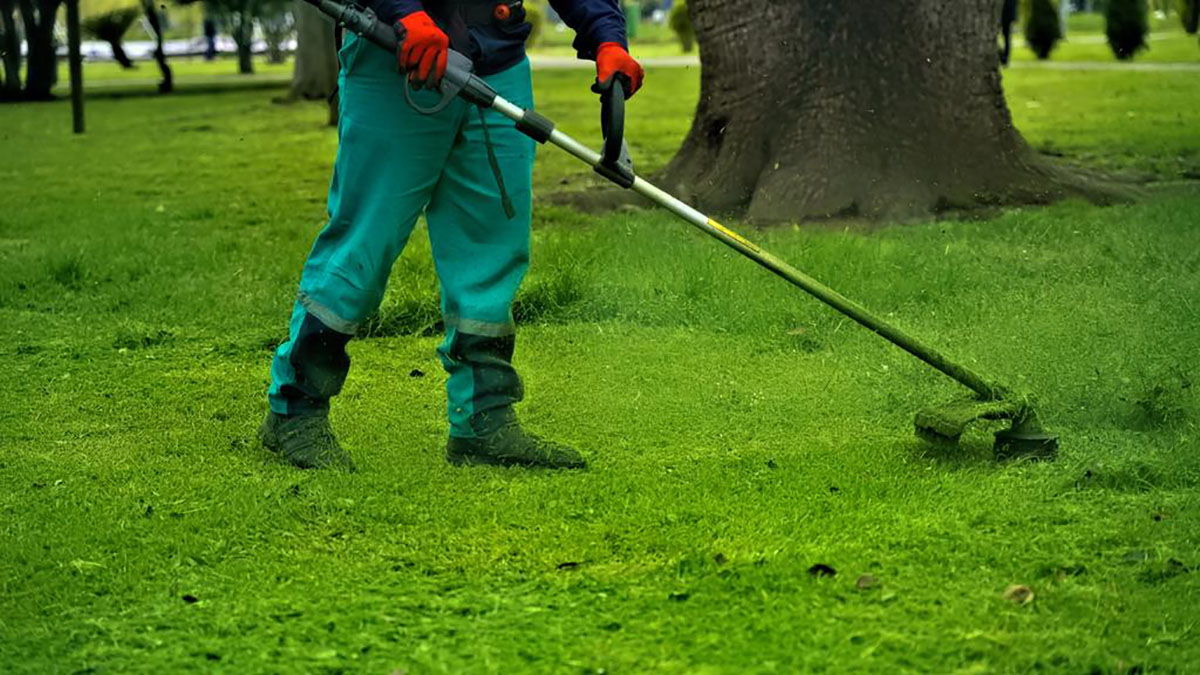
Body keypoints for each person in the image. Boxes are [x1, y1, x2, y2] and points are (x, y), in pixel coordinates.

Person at [259, 0, 644, 471]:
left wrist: (607, 36)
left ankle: (483, 420)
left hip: (499, 65)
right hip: (398, 55)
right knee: (364, 245)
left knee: (491, 252)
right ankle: (294, 409)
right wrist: (406, 11)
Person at [1000, 0, 1017, 66]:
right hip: (1005, 18)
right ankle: (1003, 56)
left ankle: (1004, 57)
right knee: (1006, 38)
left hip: (1006, 19)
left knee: (1006, 38)